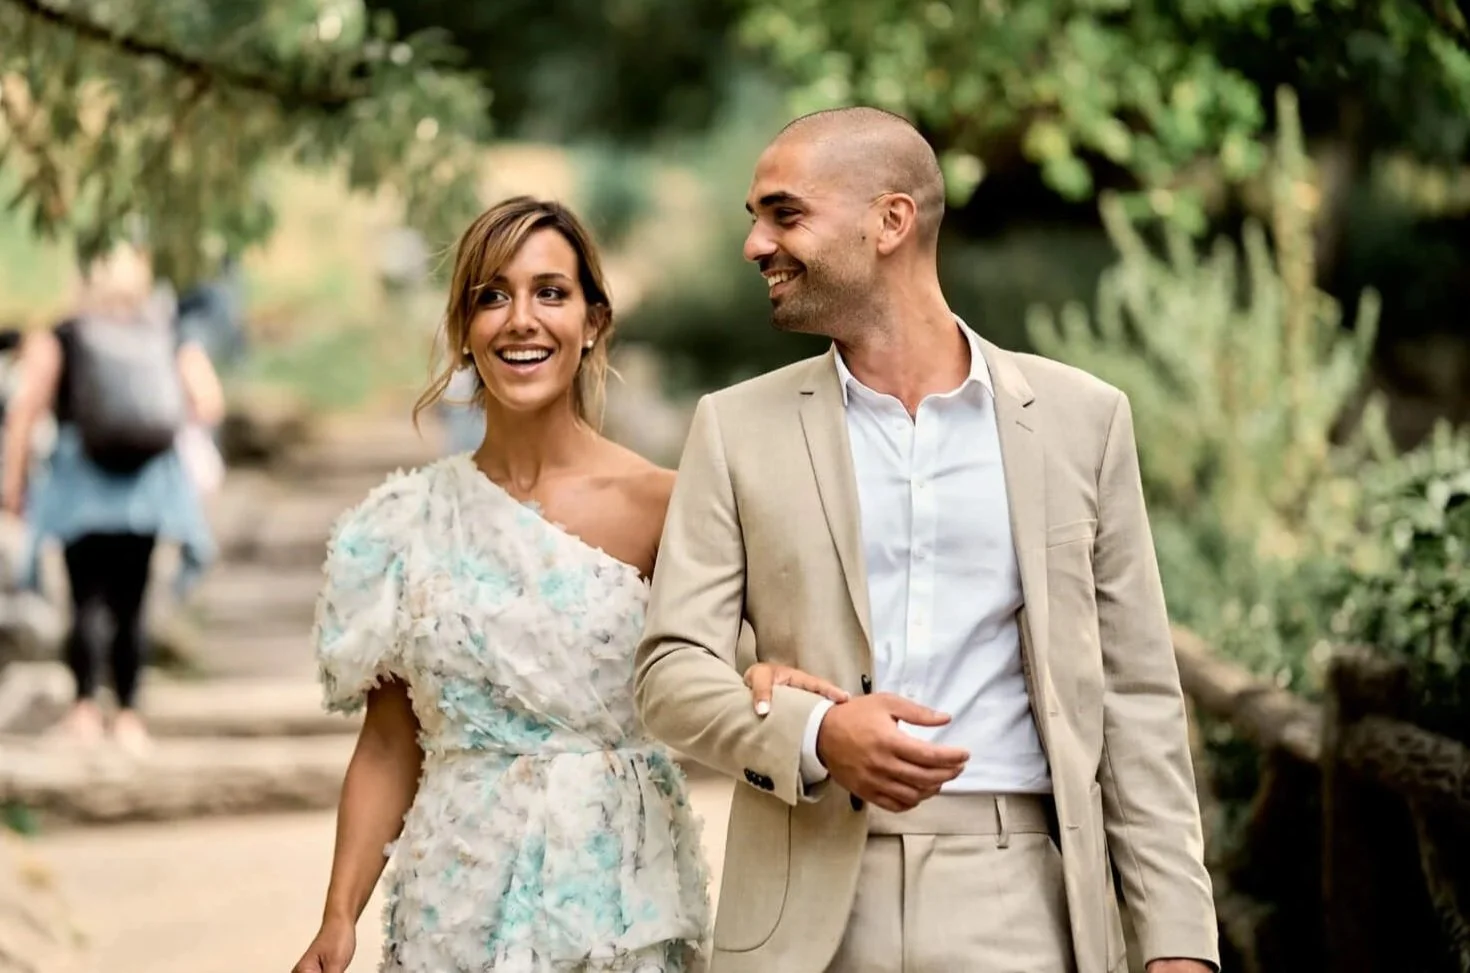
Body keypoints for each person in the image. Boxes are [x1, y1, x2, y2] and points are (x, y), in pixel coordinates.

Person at [635, 108, 1220, 973]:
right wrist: (819, 731)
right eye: (754, 218)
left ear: (891, 221)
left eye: (785, 214)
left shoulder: (1082, 420)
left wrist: (1177, 945)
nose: (757, 244)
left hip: (1014, 886)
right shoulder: (733, 428)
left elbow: (1137, 697)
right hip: (804, 901)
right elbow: (669, 670)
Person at [291, 197, 725, 973]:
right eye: (492, 296)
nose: (520, 318)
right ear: (463, 330)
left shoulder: (668, 505)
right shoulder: (402, 523)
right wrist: (338, 915)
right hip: (452, 906)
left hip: (616, 903)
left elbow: (728, 675)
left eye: (550, 293)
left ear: (594, 319)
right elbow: (391, 740)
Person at [1, 244, 222, 753]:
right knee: (133, 603)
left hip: (81, 485)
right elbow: (208, 398)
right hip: (147, 488)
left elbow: (25, 410)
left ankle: (82, 712)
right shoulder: (163, 328)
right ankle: (129, 719)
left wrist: (13, 484)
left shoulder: (64, 334)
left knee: (85, 600)